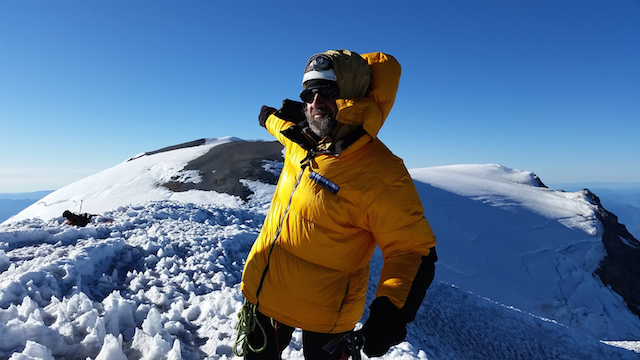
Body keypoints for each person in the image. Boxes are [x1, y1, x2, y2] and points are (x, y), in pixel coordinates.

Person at [237, 50, 437, 360]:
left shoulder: (381, 172)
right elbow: (281, 126)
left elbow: (412, 250)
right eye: (309, 93)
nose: (315, 102)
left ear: (352, 97)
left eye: (328, 92)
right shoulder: (300, 138)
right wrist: (268, 118)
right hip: (268, 295)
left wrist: (388, 318)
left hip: (328, 317)